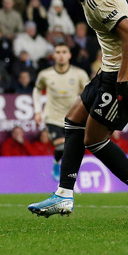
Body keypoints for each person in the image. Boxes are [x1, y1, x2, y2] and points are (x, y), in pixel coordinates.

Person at [10, 0, 128, 225]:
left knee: (94, 139)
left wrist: (121, 83)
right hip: (112, 67)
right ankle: (63, 194)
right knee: (72, 120)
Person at [33, 43, 89, 182]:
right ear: (54, 56)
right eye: (58, 52)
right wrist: (37, 111)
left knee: (72, 150)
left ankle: (65, 173)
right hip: (53, 117)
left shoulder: (79, 74)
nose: (61, 55)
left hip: (73, 117)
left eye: (64, 52)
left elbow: (89, 92)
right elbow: (37, 90)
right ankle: (57, 164)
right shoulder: (45, 74)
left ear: (69, 55)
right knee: (61, 145)